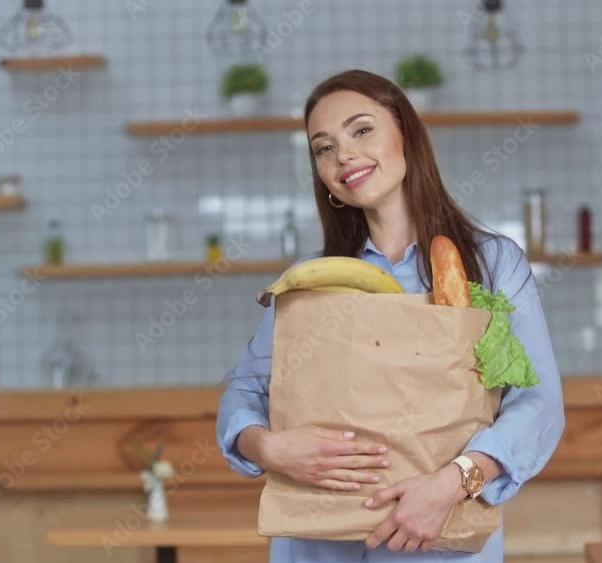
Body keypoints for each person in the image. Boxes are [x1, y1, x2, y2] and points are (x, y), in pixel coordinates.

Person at [216, 69, 565, 562]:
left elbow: (538, 404)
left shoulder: (492, 264)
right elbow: (244, 390)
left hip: (438, 541)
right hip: (316, 545)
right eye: (324, 148)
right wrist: (268, 448)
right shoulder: (311, 280)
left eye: (361, 130)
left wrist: (453, 483)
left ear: (407, 134)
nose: (344, 155)